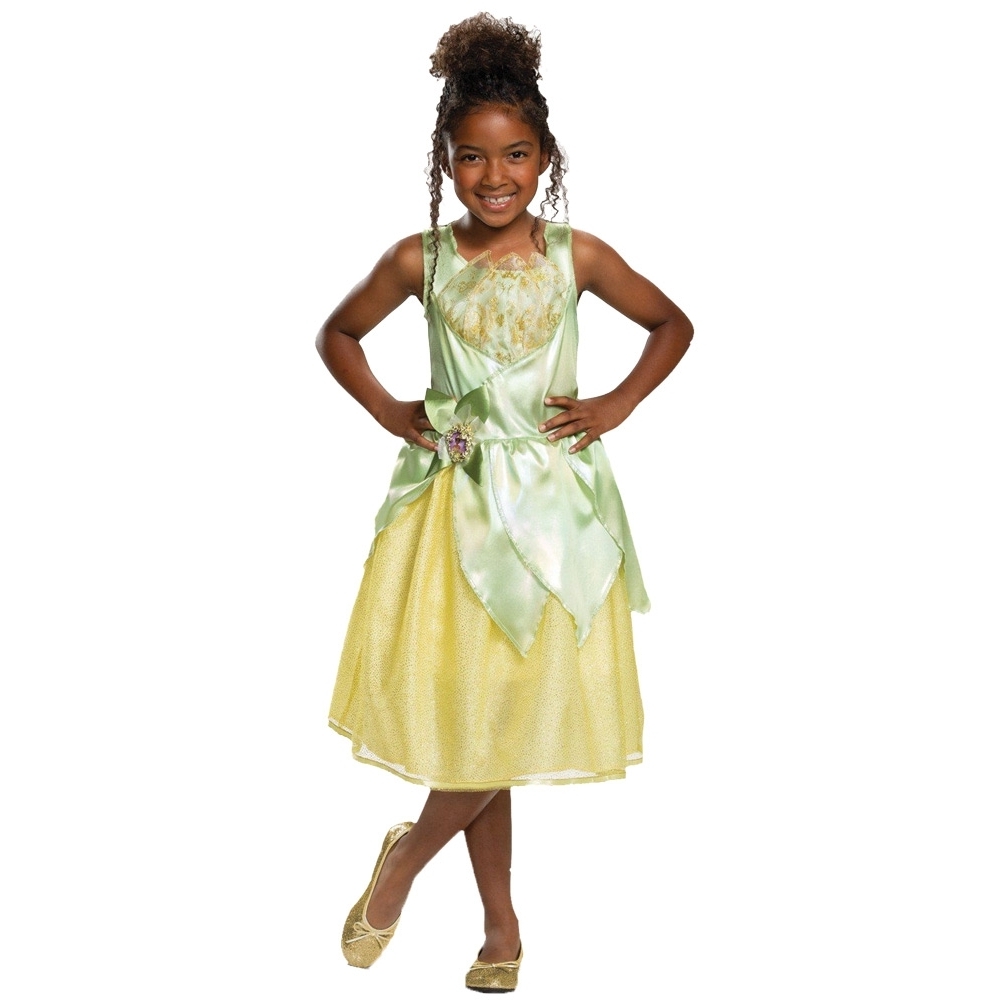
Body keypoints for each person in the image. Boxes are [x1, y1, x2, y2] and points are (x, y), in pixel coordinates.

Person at [315, 13, 693, 993]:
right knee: (482, 723)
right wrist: (393, 412)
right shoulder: (421, 260)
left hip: (556, 516)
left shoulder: (579, 255)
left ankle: (409, 866)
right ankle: (499, 922)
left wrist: (616, 402)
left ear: (544, 159)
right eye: (474, 157)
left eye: (515, 155)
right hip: (456, 515)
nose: (495, 176)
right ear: (446, 162)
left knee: (508, 719)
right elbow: (337, 336)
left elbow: (671, 323)